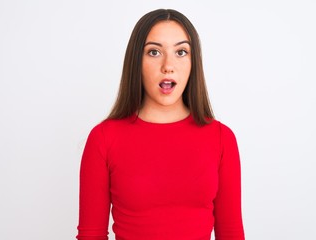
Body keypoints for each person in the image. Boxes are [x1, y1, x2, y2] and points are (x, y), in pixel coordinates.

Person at [76, 9, 245, 240]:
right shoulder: (104, 138)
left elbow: (231, 234)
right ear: (137, 60)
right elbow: (91, 235)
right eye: (154, 52)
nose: (168, 65)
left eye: (181, 52)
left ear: (193, 62)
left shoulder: (221, 138)